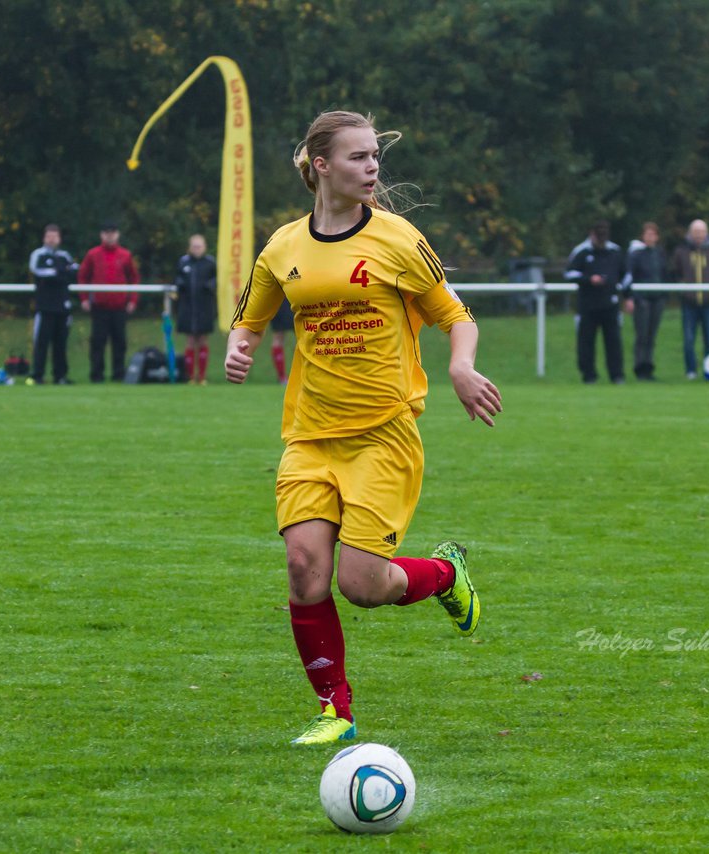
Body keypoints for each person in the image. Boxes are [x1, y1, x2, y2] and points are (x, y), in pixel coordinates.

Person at [225, 110, 502, 746]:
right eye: (358, 157)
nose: (372, 166)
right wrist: (240, 347)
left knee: (362, 586)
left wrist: (462, 368)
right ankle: (335, 711)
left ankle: (443, 575)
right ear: (321, 165)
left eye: (375, 156)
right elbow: (249, 317)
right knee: (303, 569)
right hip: (310, 436)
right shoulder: (283, 248)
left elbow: (455, 315)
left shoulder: (398, 238)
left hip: (383, 435)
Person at [565, 221, 629, 384]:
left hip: (610, 304)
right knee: (586, 342)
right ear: (591, 233)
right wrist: (589, 279)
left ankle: (617, 375)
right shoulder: (581, 251)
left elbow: (626, 275)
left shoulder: (614, 251)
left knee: (614, 342)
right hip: (588, 305)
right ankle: (589, 375)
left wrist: (628, 297)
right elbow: (569, 273)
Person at [79, 222, 140, 383]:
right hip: (99, 306)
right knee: (98, 341)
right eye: (106, 233)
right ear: (101, 235)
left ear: (117, 235)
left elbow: (134, 278)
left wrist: (132, 299)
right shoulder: (93, 254)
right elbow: (83, 276)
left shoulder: (125, 255)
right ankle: (96, 374)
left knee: (120, 341)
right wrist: (84, 298)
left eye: (112, 233)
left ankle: (118, 374)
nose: (110, 236)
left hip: (119, 306)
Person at [670, 219, 709, 379]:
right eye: (696, 232)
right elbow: (675, 272)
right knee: (689, 339)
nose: (699, 235)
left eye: (701, 232)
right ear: (690, 233)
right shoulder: (681, 251)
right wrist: (683, 289)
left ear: (706, 233)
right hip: (689, 303)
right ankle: (691, 371)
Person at [27, 224, 78, 385]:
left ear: (59, 238)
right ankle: (37, 375)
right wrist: (60, 272)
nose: (52, 239)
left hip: (62, 307)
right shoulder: (38, 254)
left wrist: (58, 272)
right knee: (41, 343)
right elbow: (39, 271)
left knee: (61, 344)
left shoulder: (64, 255)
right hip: (45, 306)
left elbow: (74, 271)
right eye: (49, 236)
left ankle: (60, 376)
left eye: (55, 236)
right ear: (44, 238)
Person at [623, 222, 669, 381]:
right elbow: (629, 276)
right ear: (643, 236)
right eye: (647, 234)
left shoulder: (660, 254)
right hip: (641, 299)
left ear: (657, 237)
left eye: (653, 234)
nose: (650, 237)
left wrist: (664, 295)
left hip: (657, 299)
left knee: (651, 336)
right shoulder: (636, 254)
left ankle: (649, 368)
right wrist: (629, 297)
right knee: (641, 336)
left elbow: (664, 274)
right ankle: (639, 368)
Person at [173, 234, 217, 385]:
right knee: (190, 340)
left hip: (204, 307)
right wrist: (180, 284)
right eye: (194, 246)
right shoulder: (183, 262)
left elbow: (217, 279)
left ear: (204, 247)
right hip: (188, 307)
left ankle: (202, 376)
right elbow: (177, 278)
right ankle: (190, 376)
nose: (197, 249)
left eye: (199, 246)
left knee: (203, 340)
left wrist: (211, 285)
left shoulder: (210, 263)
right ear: (190, 247)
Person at [269, 298, 294, 383]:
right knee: (278, 337)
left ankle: (282, 377)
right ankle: (282, 376)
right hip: (286, 298)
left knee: (278, 338)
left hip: (279, 299)